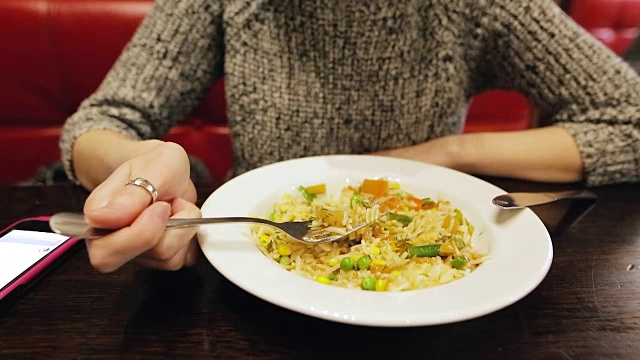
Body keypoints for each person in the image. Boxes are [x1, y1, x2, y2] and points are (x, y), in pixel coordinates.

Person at [60, 0, 640, 273]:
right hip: (249, 270)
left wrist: (449, 152)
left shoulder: (476, 6)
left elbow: (630, 118)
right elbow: (97, 125)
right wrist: (146, 166)